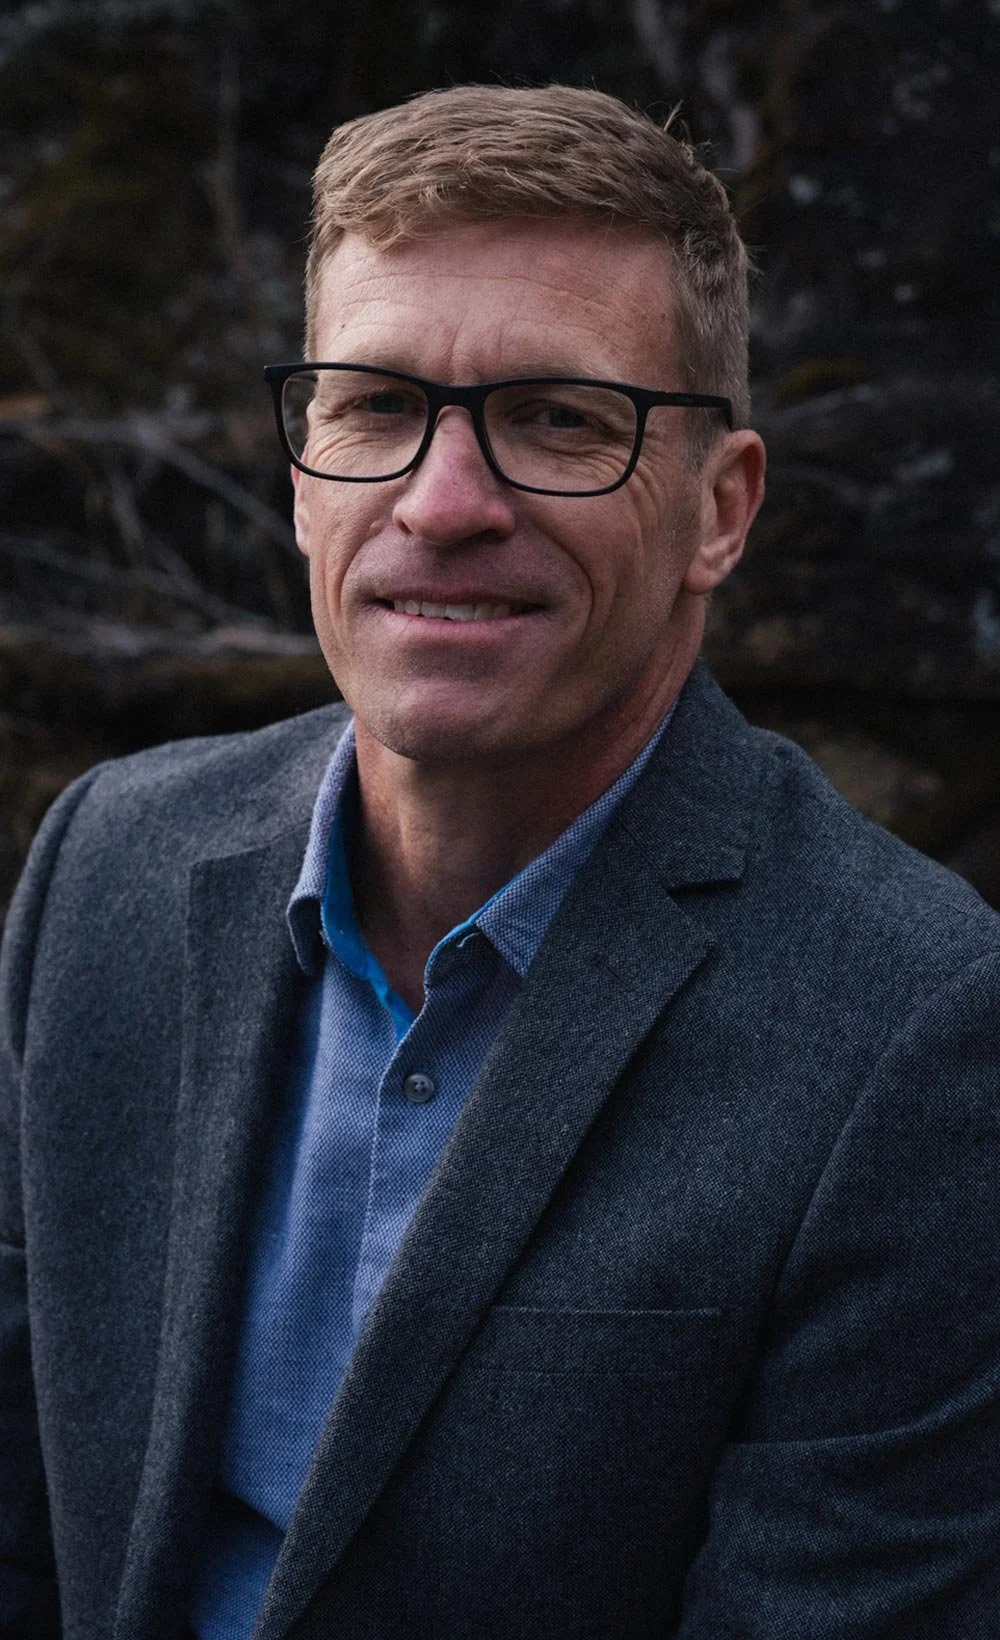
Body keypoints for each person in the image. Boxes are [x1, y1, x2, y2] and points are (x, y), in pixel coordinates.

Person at [2, 84, 999, 1640]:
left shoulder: (917, 1028)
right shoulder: (104, 868)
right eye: (373, 407)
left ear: (719, 510)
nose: (444, 503)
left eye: (559, 419)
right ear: (301, 472)